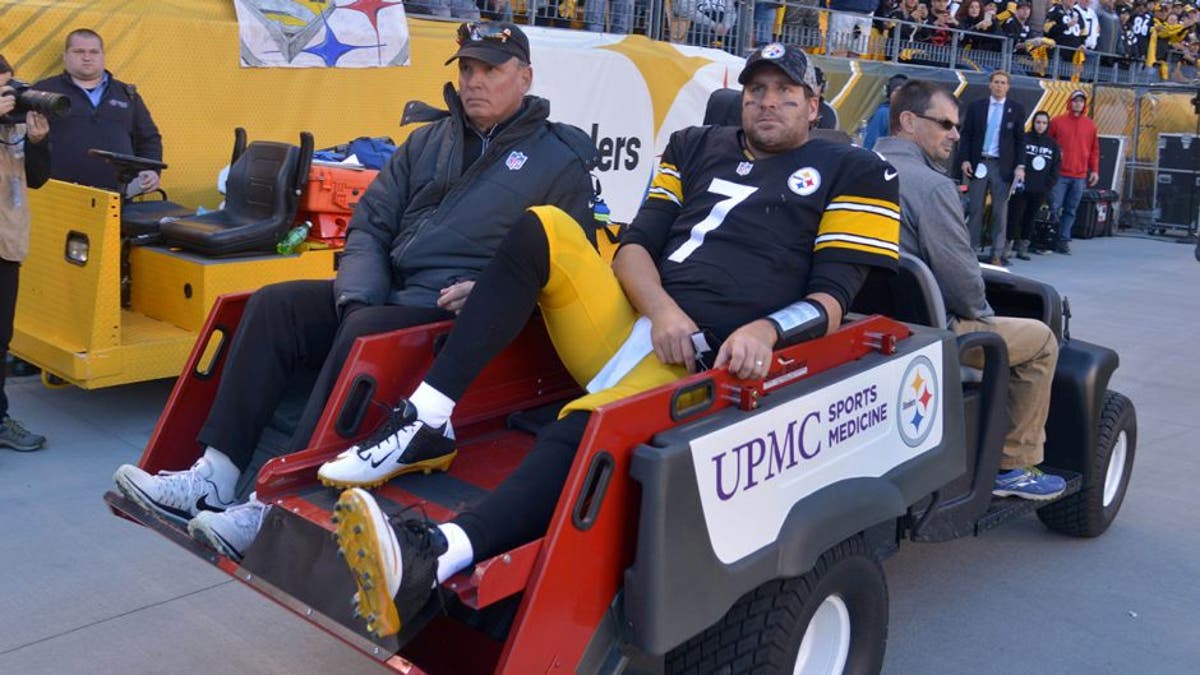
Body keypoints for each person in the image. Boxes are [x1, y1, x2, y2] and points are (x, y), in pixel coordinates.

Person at [324, 43, 902, 641]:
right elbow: (633, 248)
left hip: (703, 363)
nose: (767, 103)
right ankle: (429, 418)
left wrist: (764, 329)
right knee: (546, 225)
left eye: (787, 93)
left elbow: (835, 299)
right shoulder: (695, 145)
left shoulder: (856, 170)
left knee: (591, 420)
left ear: (814, 107)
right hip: (640, 325)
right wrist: (662, 312)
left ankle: (437, 552)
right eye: (757, 90)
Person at [110, 22, 598, 559]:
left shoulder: (560, 161)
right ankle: (215, 475)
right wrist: (359, 296)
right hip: (386, 293)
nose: (474, 81)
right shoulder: (426, 142)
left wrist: (489, 291)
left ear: (524, 77)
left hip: (454, 319)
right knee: (277, 305)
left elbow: (567, 262)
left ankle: (274, 503)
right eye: (466, 69)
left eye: (490, 70)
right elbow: (369, 225)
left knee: (364, 332)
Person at [874, 79, 1065, 505]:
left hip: (866, 327)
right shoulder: (932, 186)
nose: (956, 135)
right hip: (929, 336)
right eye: (945, 125)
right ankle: (1014, 465)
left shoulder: (855, 168)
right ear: (908, 121)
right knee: (1042, 340)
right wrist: (982, 310)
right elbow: (963, 284)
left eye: (957, 126)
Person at [33, 29, 162, 196]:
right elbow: (23, 141)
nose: (87, 57)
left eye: (94, 52)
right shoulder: (44, 91)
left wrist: (151, 169)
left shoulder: (127, 94)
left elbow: (149, 138)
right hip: (59, 196)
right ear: (65, 56)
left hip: (118, 196)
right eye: (79, 51)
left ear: (102, 56)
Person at [0, 56, 50, 452]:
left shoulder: (14, 126)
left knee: (1, 336)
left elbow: (36, 178)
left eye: (11, 86)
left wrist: (37, 142)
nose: (10, 97)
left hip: (7, 243)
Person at [958, 70, 1026, 264]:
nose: (999, 86)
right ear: (990, 84)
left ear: (1008, 87)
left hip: (1001, 165)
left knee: (999, 210)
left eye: (1003, 83)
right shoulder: (976, 107)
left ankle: (996, 253)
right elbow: (967, 135)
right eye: (996, 82)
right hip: (979, 162)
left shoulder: (1016, 109)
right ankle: (970, 249)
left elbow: (1020, 140)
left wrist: (1020, 166)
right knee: (975, 208)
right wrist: (965, 160)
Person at [1048, 88, 1099, 254]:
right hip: (1060, 174)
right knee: (1054, 207)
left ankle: (1063, 240)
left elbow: (1094, 150)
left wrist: (1094, 170)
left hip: (1079, 175)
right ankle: (1050, 238)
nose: (1078, 103)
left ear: (1084, 104)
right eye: (1075, 100)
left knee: (1071, 209)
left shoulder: (1090, 125)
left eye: (1081, 101)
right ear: (1070, 102)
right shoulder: (1057, 122)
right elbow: (1049, 145)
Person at [1008, 111, 1060, 258]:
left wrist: (1047, 185)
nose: (1040, 126)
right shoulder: (1023, 139)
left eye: (1044, 123)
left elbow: (1056, 167)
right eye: (1038, 122)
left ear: (1047, 125)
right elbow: (1015, 159)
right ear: (1033, 123)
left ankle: (1023, 247)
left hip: (1040, 189)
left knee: (1030, 218)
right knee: (1014, 216)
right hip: (1022, 188)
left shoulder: (1052, 145)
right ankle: (1008, 246)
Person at [863, 73, 908, 150]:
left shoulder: (908, 115)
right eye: (897, 91)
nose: (900, 95)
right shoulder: (883, 113)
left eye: (903, 92)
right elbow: (870, 142)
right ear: (889, 93)